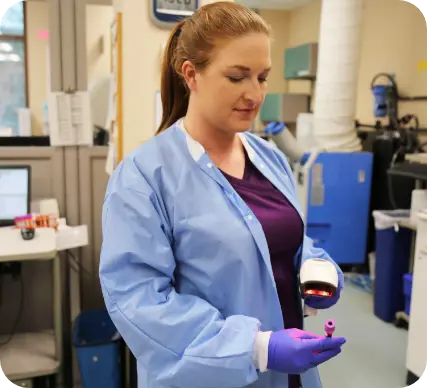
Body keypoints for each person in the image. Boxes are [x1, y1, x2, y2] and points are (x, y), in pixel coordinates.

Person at [99, 2, 345, 388]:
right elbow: (139, 301)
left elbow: (279, 240)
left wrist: (317, 268)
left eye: (262, 77)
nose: (255, 93)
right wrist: (257, 348)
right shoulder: (145, 177)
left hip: (289, 376)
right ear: (191, 74)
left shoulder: (269, 158)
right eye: (237, 77)